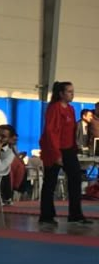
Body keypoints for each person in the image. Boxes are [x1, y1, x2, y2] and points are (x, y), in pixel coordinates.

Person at [39, 81, 92, 227]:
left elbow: (71, 132)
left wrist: (75, 148)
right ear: (61, 94)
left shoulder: (70, 109)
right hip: (53, 149)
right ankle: (46, 216)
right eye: (69, 91)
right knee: (50, 182)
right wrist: (56, 155)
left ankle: (75, 215)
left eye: (72, 91)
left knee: (75, 179)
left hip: (69, 149)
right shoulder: (54, 108)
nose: (72, 94)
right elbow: (51, 133)